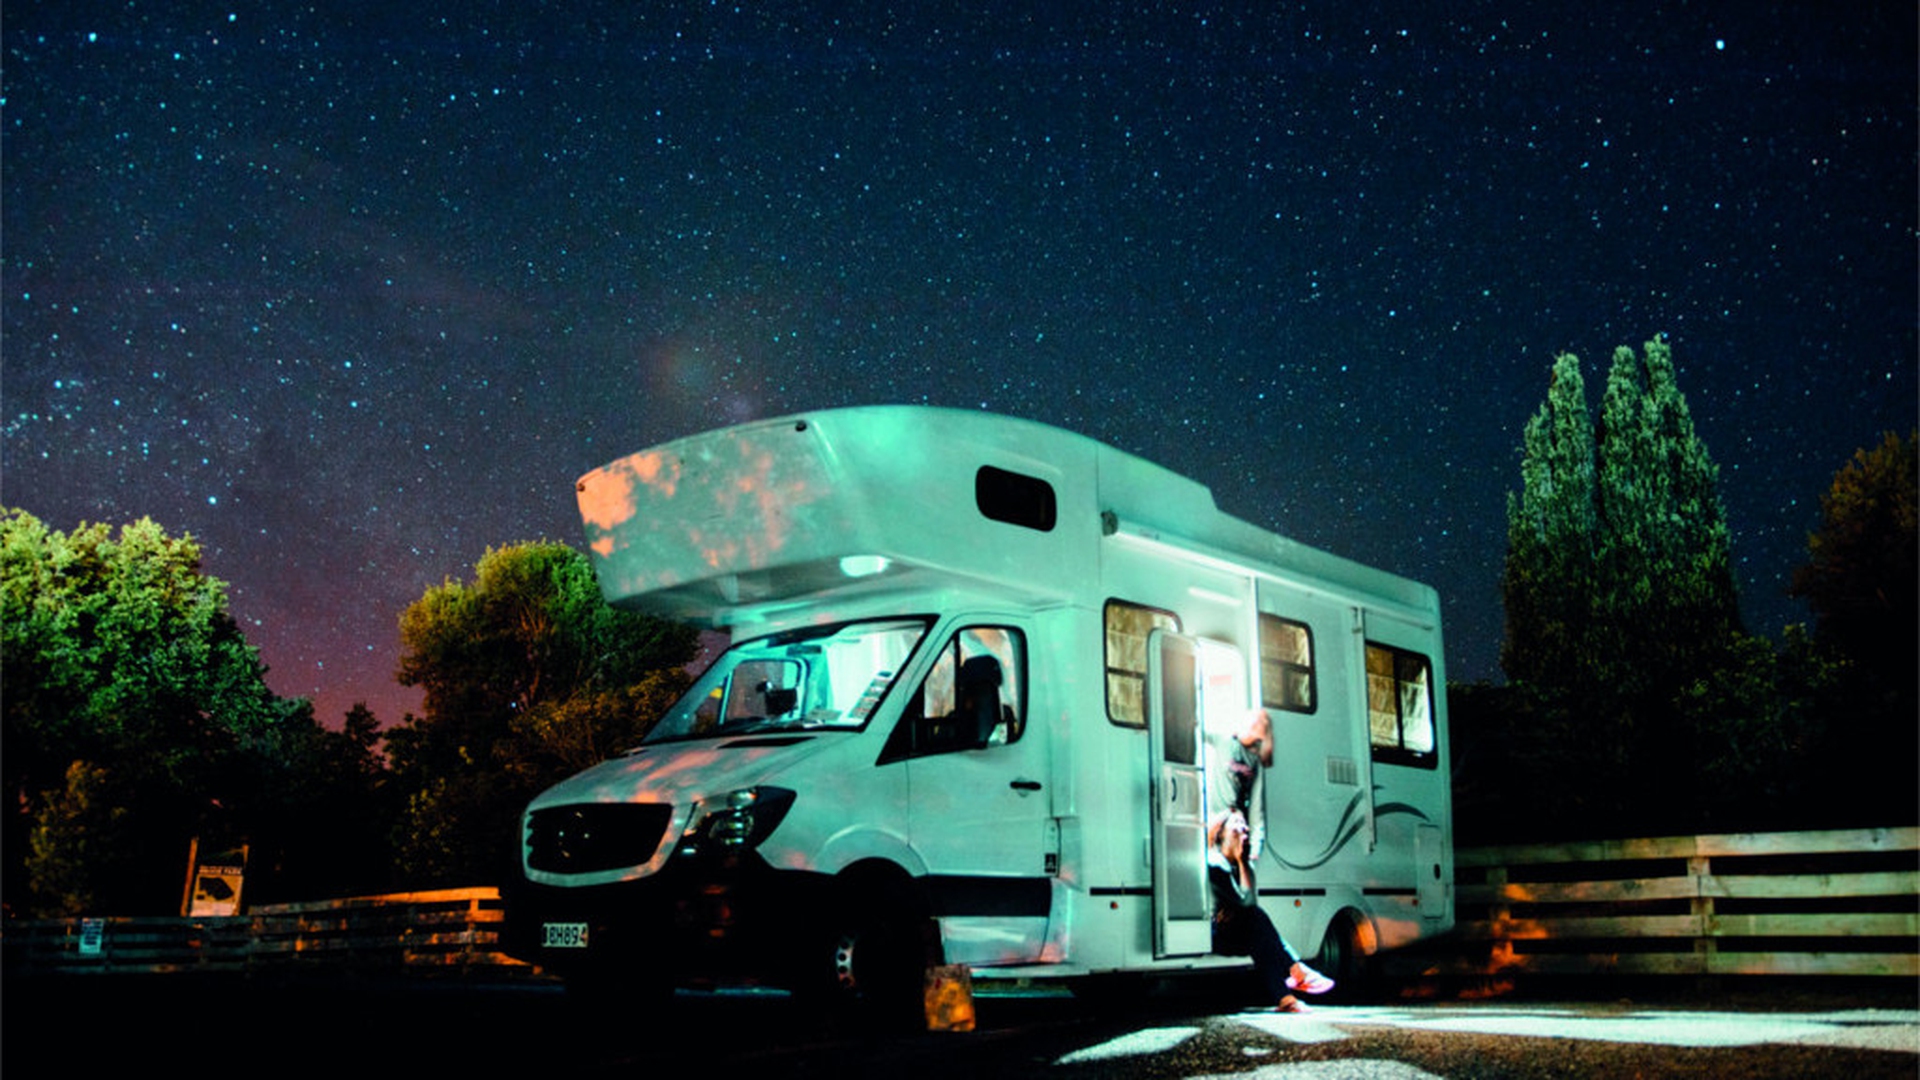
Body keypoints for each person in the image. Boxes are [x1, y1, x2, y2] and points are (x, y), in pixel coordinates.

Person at [1206, 707, 1335, 1011]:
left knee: (1256, 922)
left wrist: (1251, 851)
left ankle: (1290, 986)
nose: (1254, 726)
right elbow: (1194, 729)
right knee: (1256, 920)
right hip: (1217, 820)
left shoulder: (1254, 763)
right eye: (1252, 720)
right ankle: (1294, 974)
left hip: (1229, 829)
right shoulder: (1223, 741)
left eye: (1260, 724)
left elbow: (1257, 810)